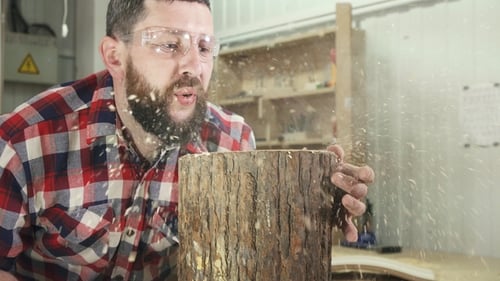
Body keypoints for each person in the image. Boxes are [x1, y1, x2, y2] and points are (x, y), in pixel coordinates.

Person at [0, 0, 374, 280]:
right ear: (115, 56)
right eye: (169, 45)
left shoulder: (232, 143)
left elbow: (244, 257)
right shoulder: (25, 142)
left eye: (204, 48)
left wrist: (306, 212)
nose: (193, 67)